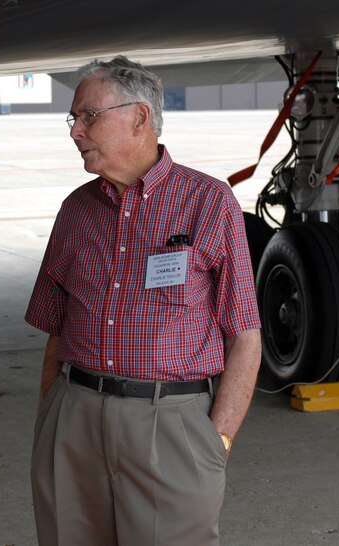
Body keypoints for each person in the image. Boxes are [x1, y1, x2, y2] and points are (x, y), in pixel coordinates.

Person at [25, 56, 262, 545]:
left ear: (139, 117)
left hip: (169, 424)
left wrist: (215, 441)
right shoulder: (75, 211)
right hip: (75, 418)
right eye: (74, 119)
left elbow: (244, 334)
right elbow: (57, 329)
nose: (75, 132)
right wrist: (51, 417)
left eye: (88, 116)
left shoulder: (209, 202)